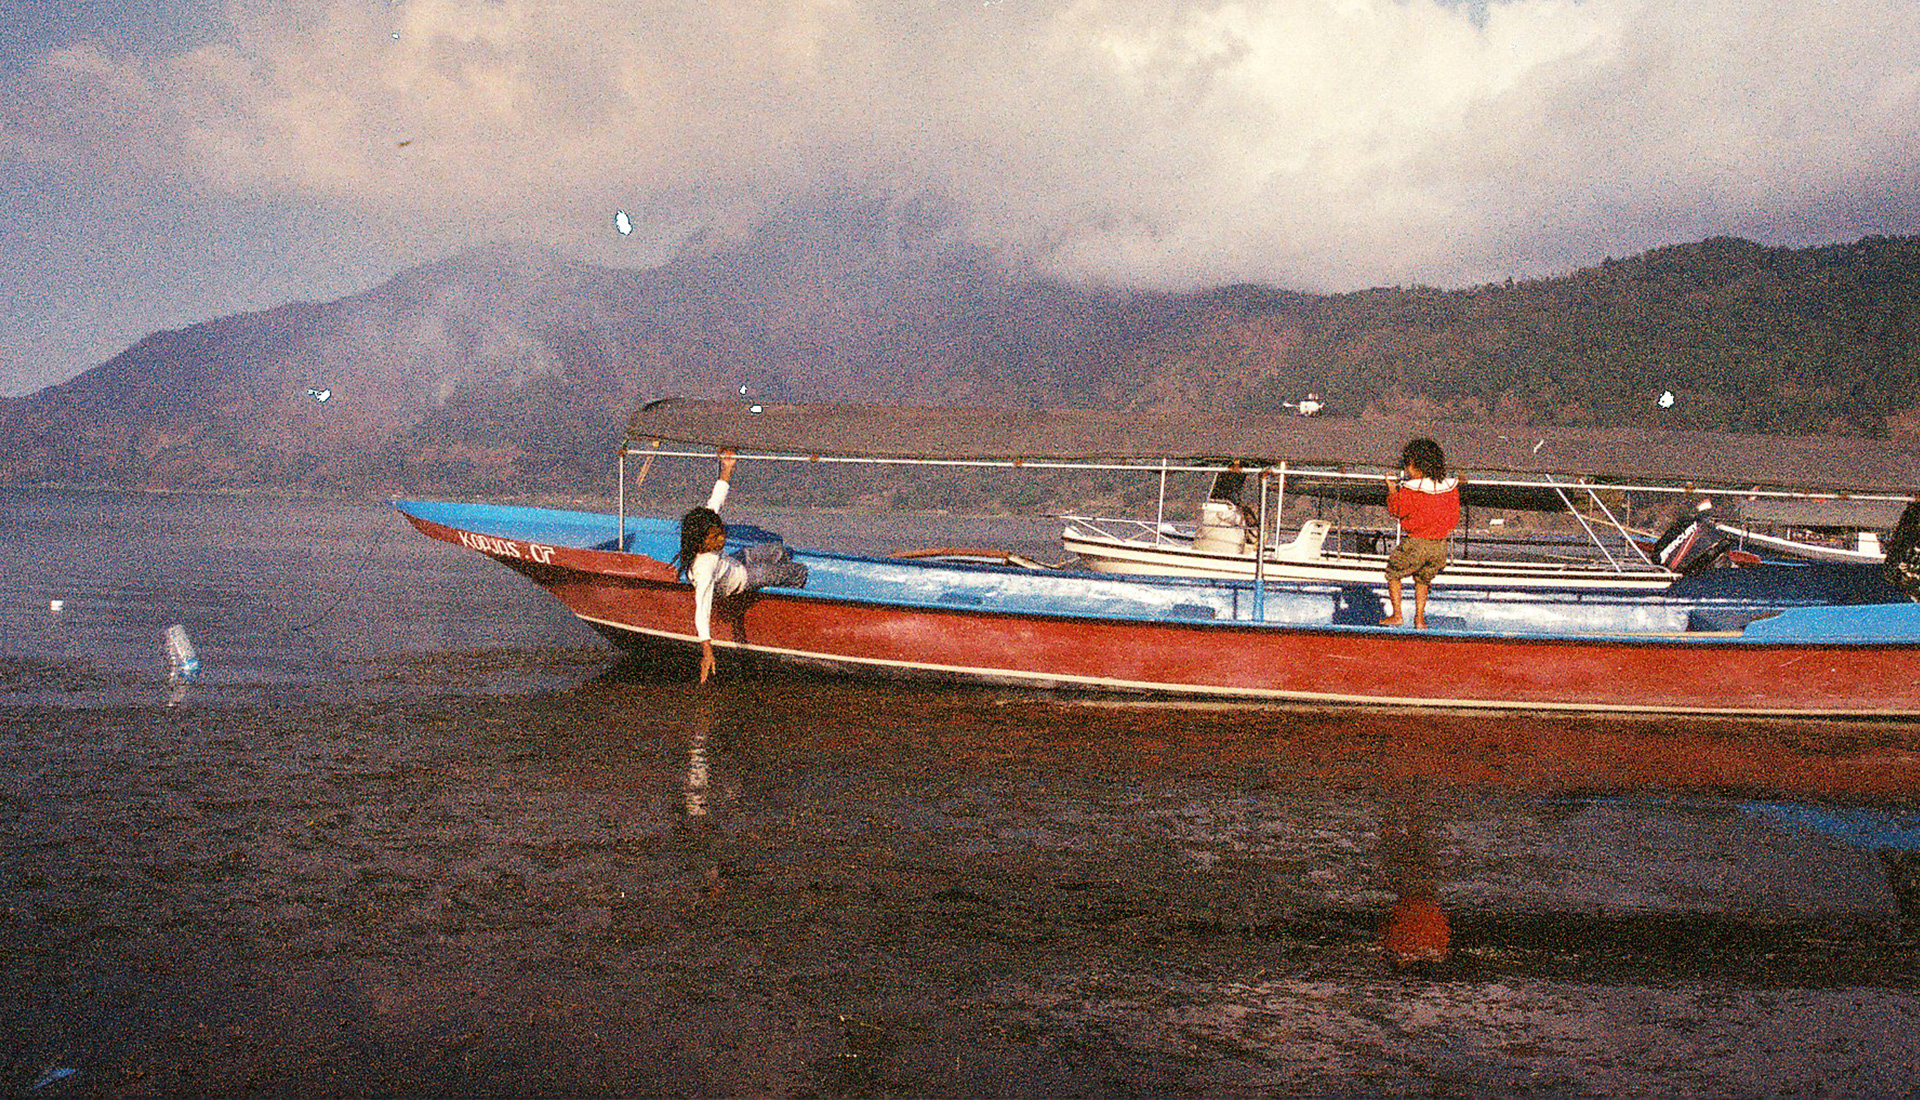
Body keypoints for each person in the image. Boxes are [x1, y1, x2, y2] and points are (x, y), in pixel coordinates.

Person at [675, 448, 806, 683]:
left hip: (737, 561)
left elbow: (717, 499)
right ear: (700, 541)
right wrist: (707, 650)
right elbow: (701, 611)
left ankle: (782, 564)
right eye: (715, 538)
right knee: (796, 571)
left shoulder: (707, 525)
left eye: (721, 533)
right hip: (746, 578)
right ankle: (795, 583)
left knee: (779, 550)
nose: (721, 539)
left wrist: (727, 467)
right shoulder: (704, 568)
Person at [1380, 438, 1460, 629]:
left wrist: (1392, 489)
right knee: (1423, 580)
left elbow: (1397, 510)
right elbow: (1453, 517)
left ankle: (1397, 614)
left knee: (1393, 574)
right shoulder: (1449, 489)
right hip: (1439, 546)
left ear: (1415, 465)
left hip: (1416, 542)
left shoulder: (1411, 490)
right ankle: (1419, 619)